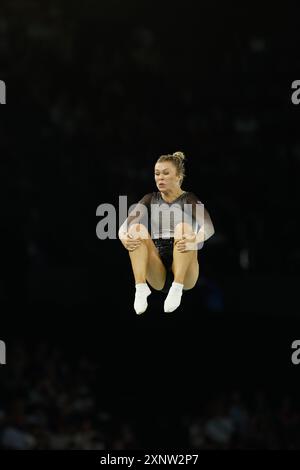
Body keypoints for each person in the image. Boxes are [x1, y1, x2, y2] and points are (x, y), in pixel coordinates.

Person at [118, 152, 215, 314]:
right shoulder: (150, 199)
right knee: (136, 229)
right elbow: (123, 227)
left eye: (165, 173)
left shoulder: (189, 198)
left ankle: (176, 287)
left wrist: (195, 240)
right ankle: (141, 288)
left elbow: (209, 227)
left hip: (185, 271)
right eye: (157, 174)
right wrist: (123, 238)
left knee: (182, 227)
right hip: (158, 269)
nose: (160, 178)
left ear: (178, 177)